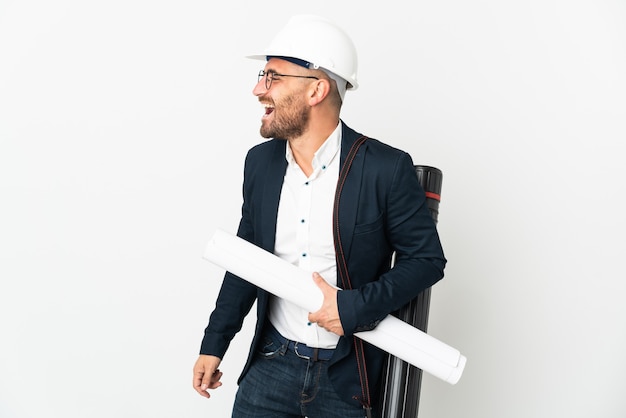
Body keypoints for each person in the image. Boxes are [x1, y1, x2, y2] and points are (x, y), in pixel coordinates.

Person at [192, 15, 446, 418]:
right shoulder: (260, 164)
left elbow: (427, 261)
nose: (258, 89)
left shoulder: (385, 169)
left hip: (346, 380)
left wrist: (353, 307)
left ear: (317, 89)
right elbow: (245, 261)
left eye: (272, 77)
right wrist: (214, 342)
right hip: (271, 365)